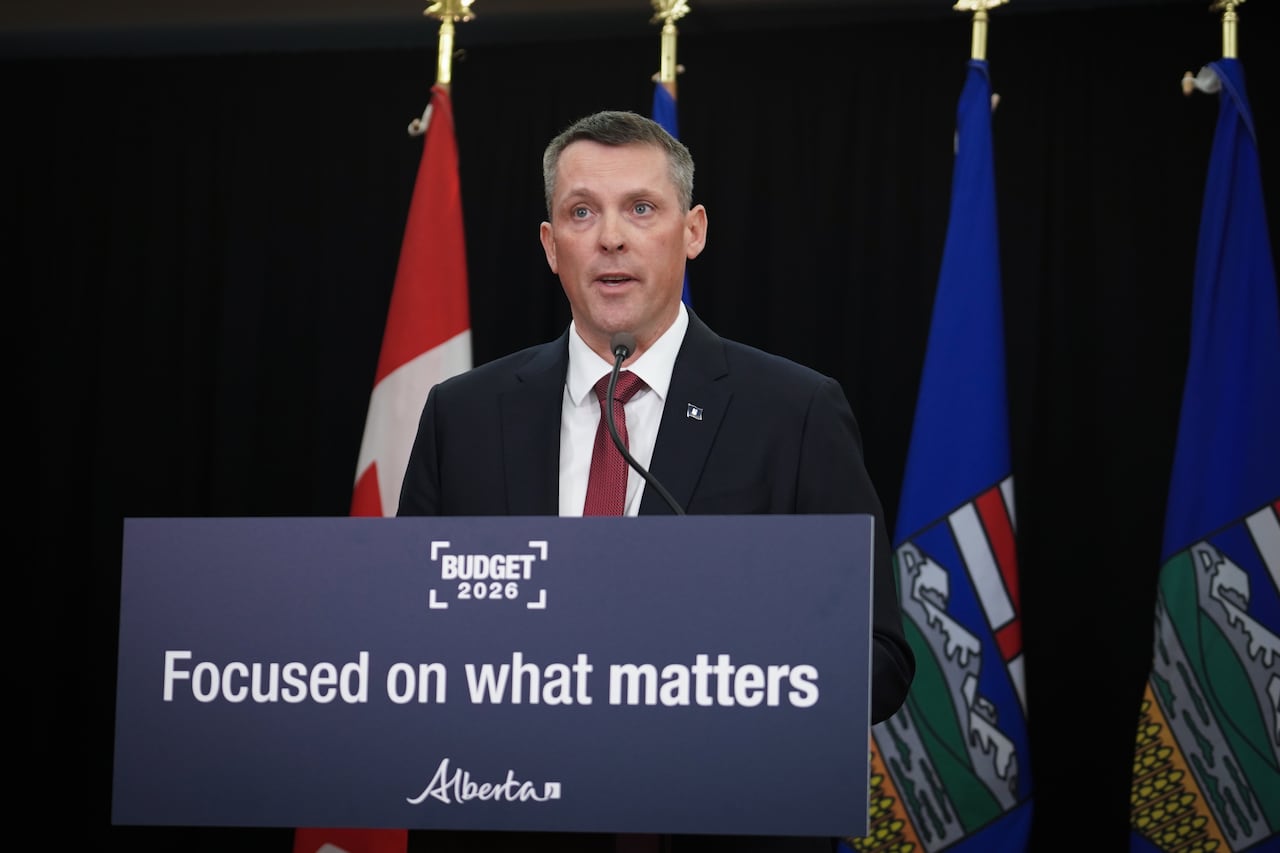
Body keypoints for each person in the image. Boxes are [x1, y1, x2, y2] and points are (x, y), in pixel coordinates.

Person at [399, 110, 914, 853]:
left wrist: (731, 677)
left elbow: (881, 658)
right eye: (582, 212)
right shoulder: (464, 414)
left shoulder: (794, 411)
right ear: (551, 245)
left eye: (641, 208)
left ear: (693, 230)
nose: (611, 237)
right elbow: (408, 639)